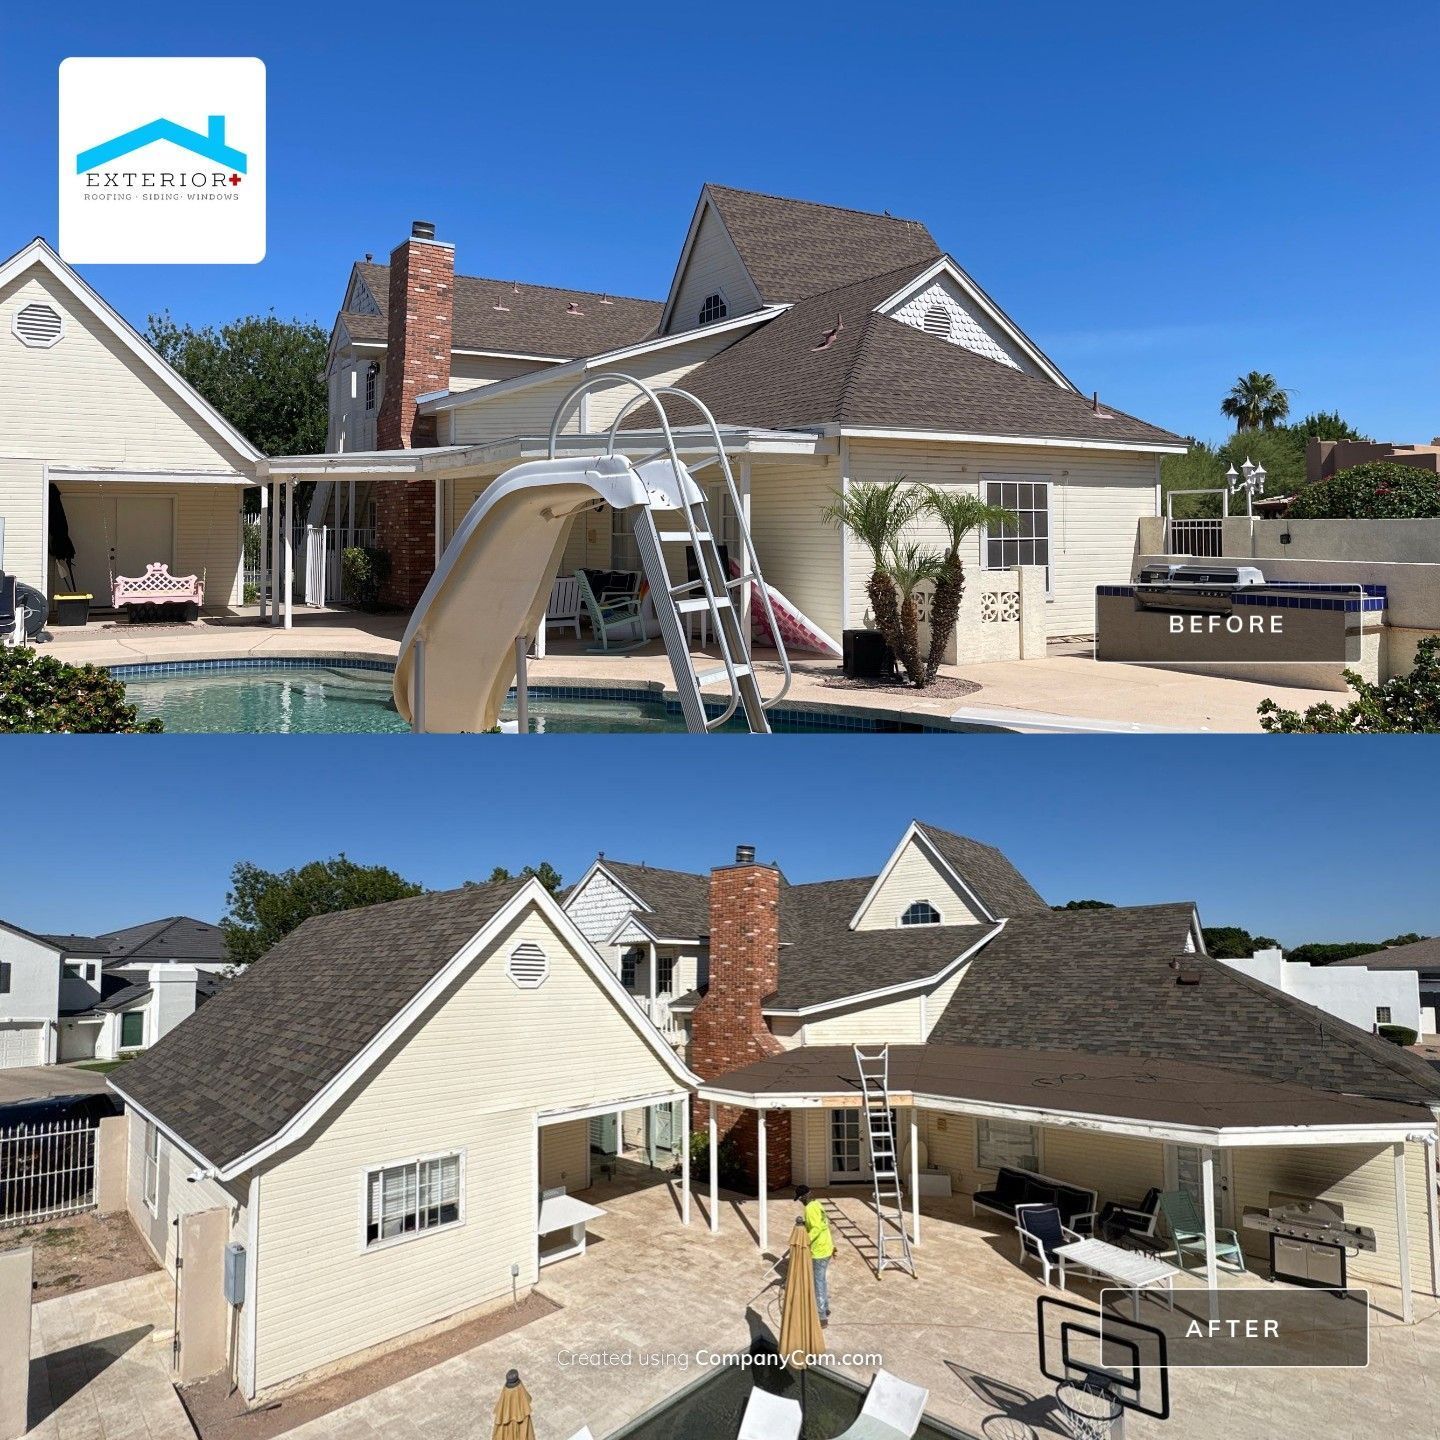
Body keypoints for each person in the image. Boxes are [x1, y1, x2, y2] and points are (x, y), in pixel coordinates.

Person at [795, 1185, 834, 1326]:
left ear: (804, 1196)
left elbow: (816, 1228)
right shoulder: (817, 1204)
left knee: (817, 1283)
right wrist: (804, 1223)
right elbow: (821, 1223)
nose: (800, 1202)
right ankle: (826, 1307)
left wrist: (805, 1240)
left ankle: (822, 1316)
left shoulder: (809, 1208)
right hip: (827, 1246)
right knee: (822, 1280)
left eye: (800, 1199)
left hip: (819, 1251)